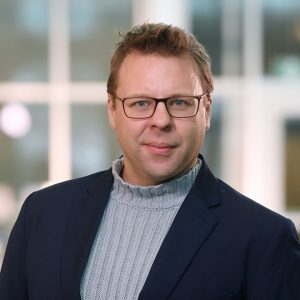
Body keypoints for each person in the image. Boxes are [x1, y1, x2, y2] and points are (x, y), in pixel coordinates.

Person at [0, 23, 300, 300]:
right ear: (113, 110)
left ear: (206, 110)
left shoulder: (264, 238)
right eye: (141, 103)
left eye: (179, 102)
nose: (160, 120)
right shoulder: (43, 214)